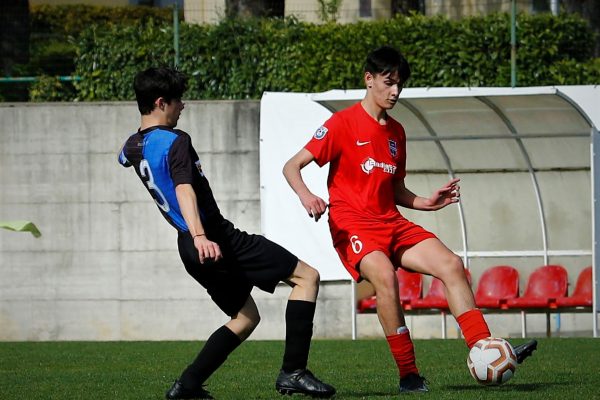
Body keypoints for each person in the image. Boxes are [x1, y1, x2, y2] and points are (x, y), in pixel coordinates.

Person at [282, 46, 537, 394]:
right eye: (388, 83)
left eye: (399, 84)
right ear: (368, 80)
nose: (395, 92)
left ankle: (484, 348)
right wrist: (306, 195)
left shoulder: (397, 133)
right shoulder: (341, 124)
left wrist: (427, 202)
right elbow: (291, 166)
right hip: (353, 225)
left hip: (391, 221)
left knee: (451, 264)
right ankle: (408, 374)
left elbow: (396, 188)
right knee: (385, 278)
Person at [118, 67, 336, 400]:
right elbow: (184, 189)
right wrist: (201, 235)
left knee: (245, 317)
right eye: (178, 101)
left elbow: (123, 157)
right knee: (307, 277)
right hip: (215, 239)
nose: (183, 107)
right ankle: (294, 371)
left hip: (189, 249)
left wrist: (194, 238)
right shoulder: (175, 141)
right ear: (161, 102)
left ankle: (187, 385)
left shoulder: (133, 146)